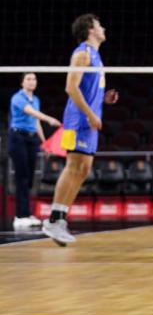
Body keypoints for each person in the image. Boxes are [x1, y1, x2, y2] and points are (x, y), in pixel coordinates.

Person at [42, 14, 119, 245]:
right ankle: (54, 219)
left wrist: (103, 99)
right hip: (77, 120)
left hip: (87, 120)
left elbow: (86, 90)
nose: (103, 27)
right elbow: (70, 87)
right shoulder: (82, 53)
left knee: (84, 169)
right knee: (74, 166)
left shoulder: (96, 55)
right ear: (90, 30)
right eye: (99, 25)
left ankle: (60, 218)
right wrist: (90, 113)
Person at [9, 73, 60, 230]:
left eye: (34, 79)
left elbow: (35, 121)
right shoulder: (17, 98)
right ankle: (20, 216)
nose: (32, 82)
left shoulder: (36, 99)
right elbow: (31, 112)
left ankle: (27, 213)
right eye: (28, 79)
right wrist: (49, 119)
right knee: (22, 177)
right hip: (18, 137)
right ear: (22, 83)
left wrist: (44, 143)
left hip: (32, 139)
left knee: (30, 178)